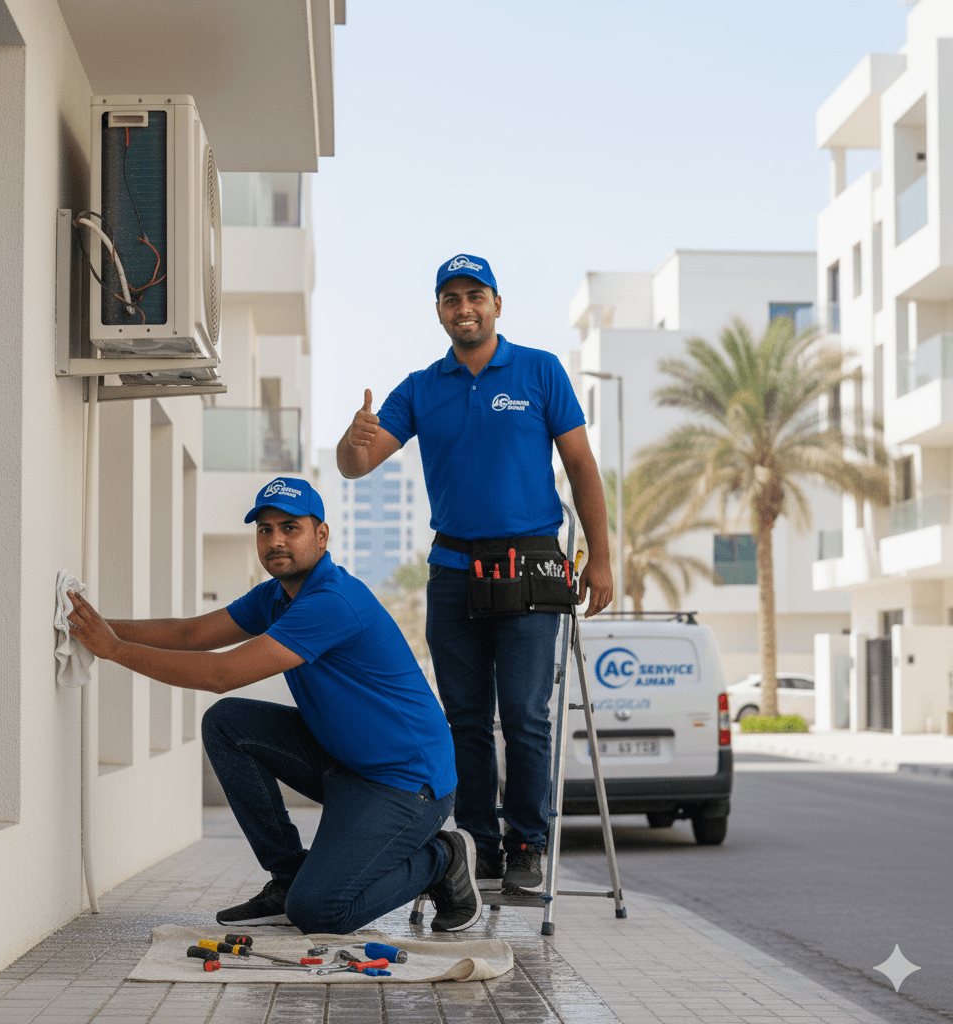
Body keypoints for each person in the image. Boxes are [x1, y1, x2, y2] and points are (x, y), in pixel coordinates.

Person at [66, 476, 482, 935]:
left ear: (320, 536)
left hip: (405, 783)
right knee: (228, 726)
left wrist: (114, 649)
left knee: (321, 912)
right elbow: (191, 636)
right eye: (265, 530)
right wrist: (95, 626)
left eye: (290, 527)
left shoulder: (331, 601)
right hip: (344, 761)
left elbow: (220, 674)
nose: (276, 540)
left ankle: (443, 858)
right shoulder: (277, 596)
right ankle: (287, 879)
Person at [336, 255, 613, 890]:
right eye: (451, 299)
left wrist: (600, 557)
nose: (464, 308)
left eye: (474, 296)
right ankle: (480, 844)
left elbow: (581, 467)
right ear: (438, 310)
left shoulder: (540, 370)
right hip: (454, 570)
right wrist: (353, 441)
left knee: (523, 714)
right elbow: (358, 466)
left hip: (531, 567)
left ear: (496, 304)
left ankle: (526, 843)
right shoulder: (420, 386)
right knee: (463, 716)